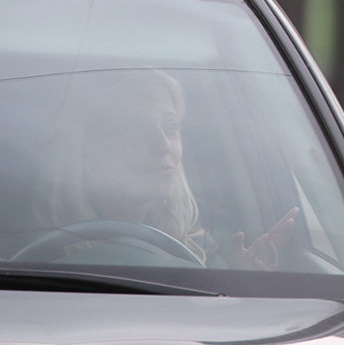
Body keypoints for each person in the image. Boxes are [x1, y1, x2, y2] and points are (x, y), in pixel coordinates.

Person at [34, 68, 297, 269]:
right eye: (133, 127)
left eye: (171, 126)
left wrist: (239, 285)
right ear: (87, 152)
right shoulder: (32, 261)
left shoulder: (202, 250)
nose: (162, 146)